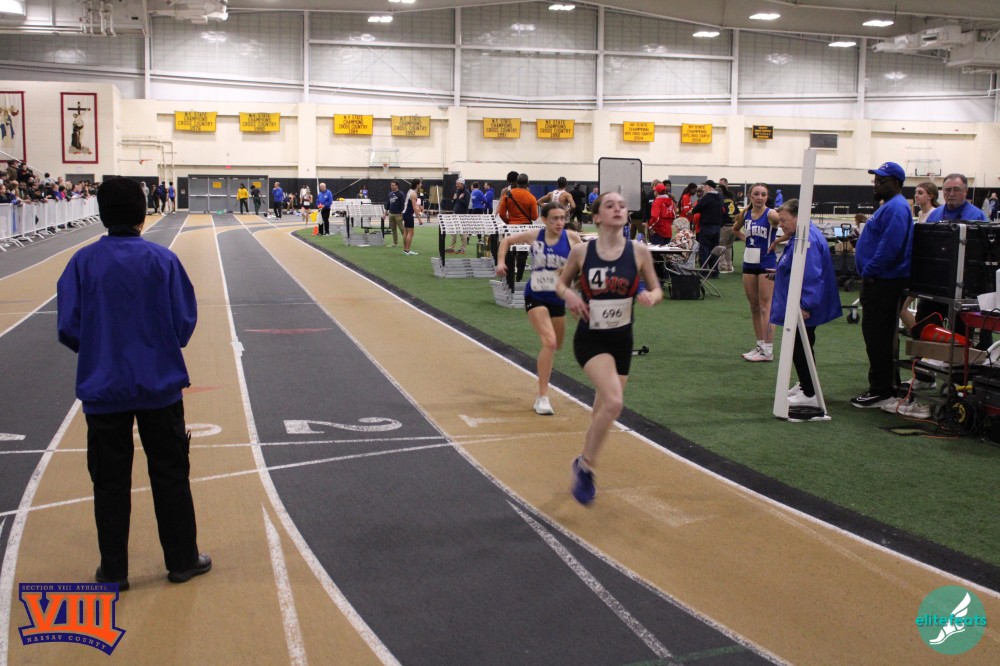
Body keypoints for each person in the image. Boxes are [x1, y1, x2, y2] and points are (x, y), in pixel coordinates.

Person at [56, 177, 211, 589]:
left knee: (109, 481)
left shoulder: (82, 263)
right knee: (171, 473)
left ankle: (114, 570)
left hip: (103, 389)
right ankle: (182, 560)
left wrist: (99, 350)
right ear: (143, 214)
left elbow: (69, 327)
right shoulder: (163, 261)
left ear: (102, 215)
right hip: (159, 386)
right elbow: (184, 321)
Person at [556, 191, 663, 505]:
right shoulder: (582, 251)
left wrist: (651, 297)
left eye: (622, 206)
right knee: (615, 403)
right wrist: (570, 295)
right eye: (609, 205)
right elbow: (560, 283)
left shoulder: (639, 251)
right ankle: (585, 467)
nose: (617, 209)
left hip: (622, 340)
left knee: (602, 410)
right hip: (591, 338)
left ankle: (584, 458)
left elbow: (657, 288)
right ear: (597, 217)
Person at [496, 202, 582, 415]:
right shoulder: (535, 235)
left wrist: (571, 271)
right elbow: (506, 240)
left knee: (556, 344)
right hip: (535, 295)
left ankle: (543, 384)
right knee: (550, 342)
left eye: (562, 218)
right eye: (554, 219)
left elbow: (586, 260)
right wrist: (501, 262)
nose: (559, 222)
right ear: (544, 220)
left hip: (558, 298)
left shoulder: (572, 238)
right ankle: (542, 397)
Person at [768, 199, 842, 408]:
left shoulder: (806, 238)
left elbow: (811, 275)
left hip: (805, 305)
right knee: (801, 344)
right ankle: (806, 385)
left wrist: (805, 305)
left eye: (784, 220)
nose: (780, 225)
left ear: (797, 217)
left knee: (800, 345)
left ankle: (810, 392)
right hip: (802, 301)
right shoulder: (801, 235)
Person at [852, 161, 913, 408]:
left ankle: (882, 390)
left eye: (882, 181)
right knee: (880, 335)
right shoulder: (890, 206)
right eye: (875, 180)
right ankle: (886, 386)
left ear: (896, 183)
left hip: (883, 280)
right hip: (882, 279)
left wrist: (869, 270)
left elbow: (890, 246)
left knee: (878, 335)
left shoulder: (896, 207)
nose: (876, 184)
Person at [733, 183, 781, 362]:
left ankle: (768, 349)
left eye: (763, 194)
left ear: (767, 197)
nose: (760, 197)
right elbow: (735, 229)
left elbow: (791, 226)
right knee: (754, 306)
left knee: (765, 306)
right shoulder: (745, 214)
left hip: (767, 263)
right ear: (750, 196)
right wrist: (747, 240)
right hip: (749, 262)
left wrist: (777, 242)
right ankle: (760, 346)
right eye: (756, 194)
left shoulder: (771, 214)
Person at [497, 173, 539, 286]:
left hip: (511, 227)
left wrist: (508, 222)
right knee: (523, 253)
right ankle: (519, 278)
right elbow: (534, 217)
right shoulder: (531, 197)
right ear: (527, 183)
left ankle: (509, 279)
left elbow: (501, 213)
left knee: (510, 252)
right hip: (525, 228)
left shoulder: (508, 194)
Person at [690, 179, 726, 276]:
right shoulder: (720, 197)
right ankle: (715, 272)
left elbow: (697, 208)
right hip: (717, 226)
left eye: (705, 187)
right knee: (715, 249)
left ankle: (704, 271)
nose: (703, 189)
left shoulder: (707, 197)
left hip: (707, 226)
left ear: (709, 187)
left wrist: (691, 211)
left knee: (704, 249)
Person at [717, 179, 739, 273]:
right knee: (729, 246)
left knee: (721, 245)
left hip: (725, 225)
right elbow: (738, 212)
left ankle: (723, 266)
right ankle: (729, 265)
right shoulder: (731, 199)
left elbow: (721, 212)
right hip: (734, 225)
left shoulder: (720, 199)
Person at [448, 178, 470, 253]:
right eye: (456, 184)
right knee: (453, 231)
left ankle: (462, 249)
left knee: (462, 232)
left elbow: (466, 204)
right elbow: (454, 202)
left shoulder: (466, 192)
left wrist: (460, 199)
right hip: (455, 213)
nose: (456, 185)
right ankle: (451, 248)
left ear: (462, 184)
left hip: (462, 215)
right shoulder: (457, 191)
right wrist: (454, 199)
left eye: (458, 184)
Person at [402, 177, 423, 256]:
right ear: (417, 185)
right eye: (420, 183)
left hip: (405, 213)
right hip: (408, 214)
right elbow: (414, 207)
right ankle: (407, 250)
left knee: (406, 232)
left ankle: (405, 250)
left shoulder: (410, 191)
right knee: (411, 233)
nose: (421, 185)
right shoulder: (414, 194)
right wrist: (419, 219)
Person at [384, 180, 406, 246]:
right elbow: (388, 204)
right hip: (391, 214)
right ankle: (395, 243)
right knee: (393, 229)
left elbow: (402, 204)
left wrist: (401, 212)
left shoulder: (400, 194)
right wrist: (385, 213)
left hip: (398, 214)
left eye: (393, 185)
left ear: (397, 186)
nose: (391, 186)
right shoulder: (390, 194)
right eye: (391, 185)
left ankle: (407, 241)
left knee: (401, 229)